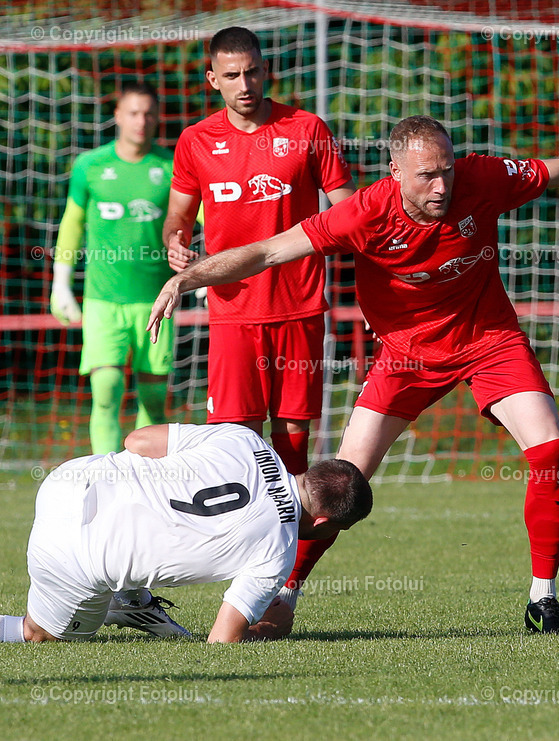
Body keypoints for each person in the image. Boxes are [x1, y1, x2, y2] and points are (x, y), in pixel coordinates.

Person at [148, 115, 559, 634]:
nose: (442, 186)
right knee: (340, 487)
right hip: (405, 357)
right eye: (427, 176)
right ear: (395, 172)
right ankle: (283, 591)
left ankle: (542, 601)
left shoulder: (483, 179)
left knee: (549, 447)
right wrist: (187, 278)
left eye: (446, 171)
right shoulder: (363, 212)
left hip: (488, 339)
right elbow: (270, 251)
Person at [0, 423, 372, 644]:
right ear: (324, 523)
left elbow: (137, 440)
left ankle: (129, 598)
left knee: (140, 502)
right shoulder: (277, 551)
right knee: (37, 634)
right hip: (76, 557)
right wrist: (271, 630)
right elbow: (220, 642)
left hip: (69, 480)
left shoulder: (244, 439)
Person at [162, 27, 357, 611]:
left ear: (265, 70)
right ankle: (237, 571)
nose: (246, 84)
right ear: (212, 79)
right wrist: (178, 248)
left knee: (294, 453)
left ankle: (282, 587)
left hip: (299, 311)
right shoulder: (195, 141)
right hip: (232, 318)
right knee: (234, 451)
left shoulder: (306, 129)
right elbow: (177, 222)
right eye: (233, 74)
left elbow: (348, 212)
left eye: (254, 71)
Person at [50, 82, 175, 454]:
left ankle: (146, 479)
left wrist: (207, 270)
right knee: (106, 390)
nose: (142, 121)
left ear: (157, 119)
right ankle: (104, 476)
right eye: (133, 113)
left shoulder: (170, 167)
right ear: (118, 116)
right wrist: (60, 284)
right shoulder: (89, 166)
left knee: (153, 398)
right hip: (102, 299)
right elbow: (71, 225)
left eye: (149, 113)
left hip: (156, 301)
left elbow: (206, 218)